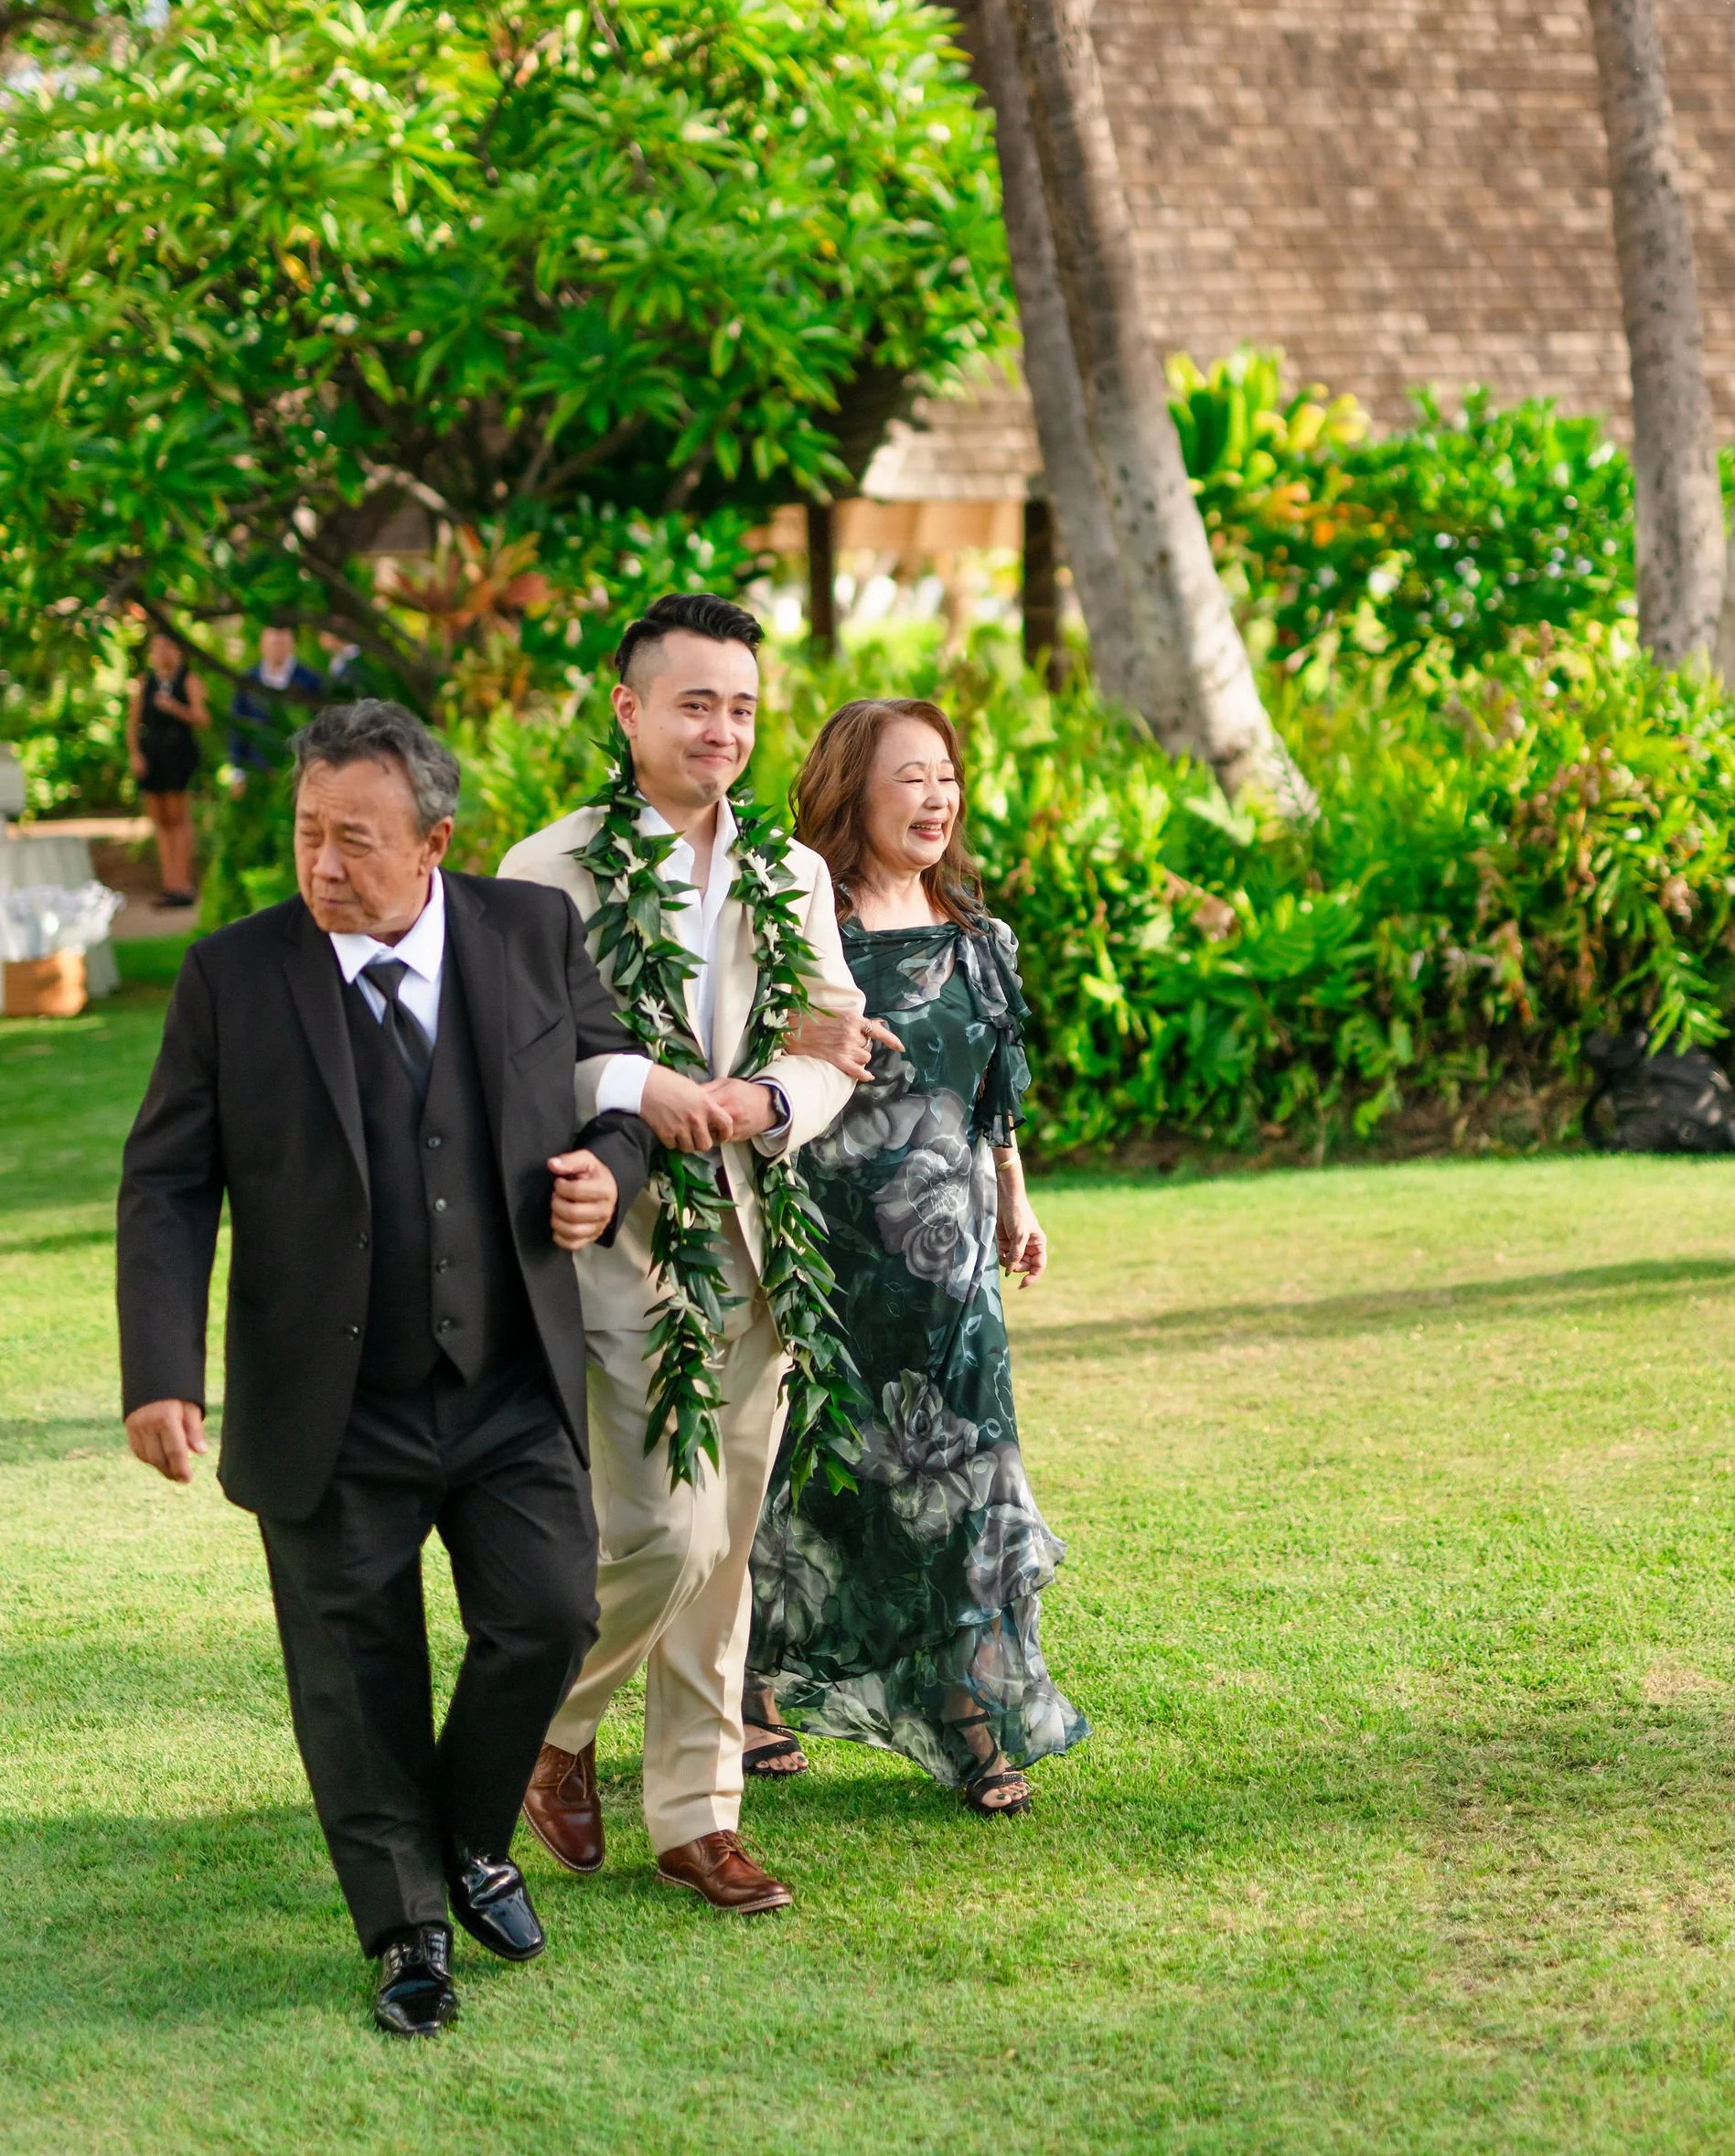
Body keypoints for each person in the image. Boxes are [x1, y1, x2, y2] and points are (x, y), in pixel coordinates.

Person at [117, 699, 652, 2040]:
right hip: (327, 1402)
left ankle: (471, 1837)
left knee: (548, 1614)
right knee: (354, 1677)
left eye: (354, 841)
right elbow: (168, 1183)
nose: (322, 867)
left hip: (507, 1380)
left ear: (436, 843)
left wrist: (613, 1170)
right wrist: (160, 1368)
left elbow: (619, 1090)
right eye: (308, 836)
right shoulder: (232, 978)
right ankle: (411, 1927)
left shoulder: (532, 934)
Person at [498, 590, 867, 1916]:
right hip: (616, 1223)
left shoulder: (794, 872)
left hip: (763, 1229)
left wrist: (771, 1102)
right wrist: (647, 1083)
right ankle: (545, 1726)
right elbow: (519, 1047)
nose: (722, 731)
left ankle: (698, 1817)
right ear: (630, 709)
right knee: (664, 1525)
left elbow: (834, 1038)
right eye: (696, 703)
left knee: (730, 1549)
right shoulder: (554, 865)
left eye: (744, 709)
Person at [744, 697, 1087, 1815]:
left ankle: (969, 1712)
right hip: (830, 1254)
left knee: (969, 1477)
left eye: (945, 775)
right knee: (814, 1472)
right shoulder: (802, 927)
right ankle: (748, 1681)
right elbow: (744, 1056)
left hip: (956, 1274)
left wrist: (1014, 1202)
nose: (936, 798)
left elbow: (991, 1101)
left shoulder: (980, 940)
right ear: (851, 790)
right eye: (909, 777)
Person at [126, 628, 209, 907]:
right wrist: (136, 753)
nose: (163, 653)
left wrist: (174, 708)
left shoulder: (188, 680)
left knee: (178, 818)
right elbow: (132, 723)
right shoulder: (144, 682)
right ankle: (169, 882)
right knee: (160, 820)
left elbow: (202, 719)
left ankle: (184, 883)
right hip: (153, 755)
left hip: (179, 753)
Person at [228, 621, 323, 791]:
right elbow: (238, 725)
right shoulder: (249, 680)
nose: (278, 648)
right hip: (257, 769)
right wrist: (238, 770)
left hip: (298, 768)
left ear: (291, 644)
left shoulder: (309, 680)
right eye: (273, 643)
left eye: (282, 643)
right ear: (262, 645)